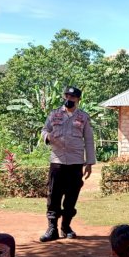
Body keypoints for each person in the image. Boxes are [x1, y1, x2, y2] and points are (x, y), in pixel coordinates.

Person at [39, 86, 96, 242]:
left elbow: (89, 140)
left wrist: (89, 163)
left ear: (78, 99)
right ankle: (52, 229)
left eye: (72, 97)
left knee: (71, 196)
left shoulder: (83, 117)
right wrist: (48, 136)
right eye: (66, 96)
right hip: (57, 161)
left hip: (76, 162)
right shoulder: (54, 114)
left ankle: (66, 226)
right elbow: (44, 130)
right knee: (54, 195)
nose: (68, 99)